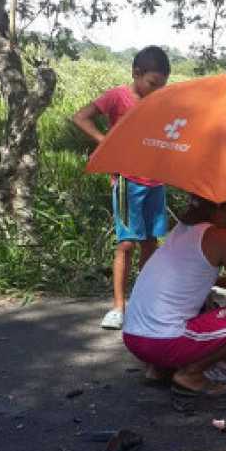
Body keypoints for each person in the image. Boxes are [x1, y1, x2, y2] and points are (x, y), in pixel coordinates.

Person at [122, 196, 226, 396]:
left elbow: (198, 277)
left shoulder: (181, 229)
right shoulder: (221, 237)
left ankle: (159, 369)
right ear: (219, 208)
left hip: (134, 338)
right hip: (163, 342)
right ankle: (191, 373)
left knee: (205, 304)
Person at [72, 46, 171, 329]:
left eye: (161, 86)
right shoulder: (119, 96)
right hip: (128, 181)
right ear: (136, 73)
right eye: (152, 84)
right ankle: (118, 307)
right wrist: (105, 142)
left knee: (151, 243)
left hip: (156, 181)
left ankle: (144, 301)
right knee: (126, 243)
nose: (156, 90)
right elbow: (81, 116)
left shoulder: (159, 101)